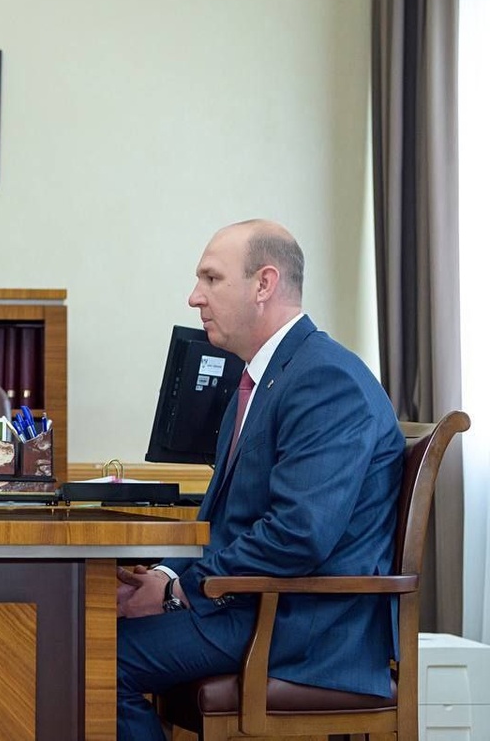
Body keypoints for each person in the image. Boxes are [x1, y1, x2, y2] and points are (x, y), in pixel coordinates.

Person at [116, 220, 404, 740]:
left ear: (264, 284)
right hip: (254, 606)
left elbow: (299, 533)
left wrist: (178, 592)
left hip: (304, 627)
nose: (194, 297)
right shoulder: (261, 380)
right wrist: (160, 573)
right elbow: (223, 523)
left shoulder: (325, 379)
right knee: (87, 634)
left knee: (91, 656)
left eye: (211, 279)